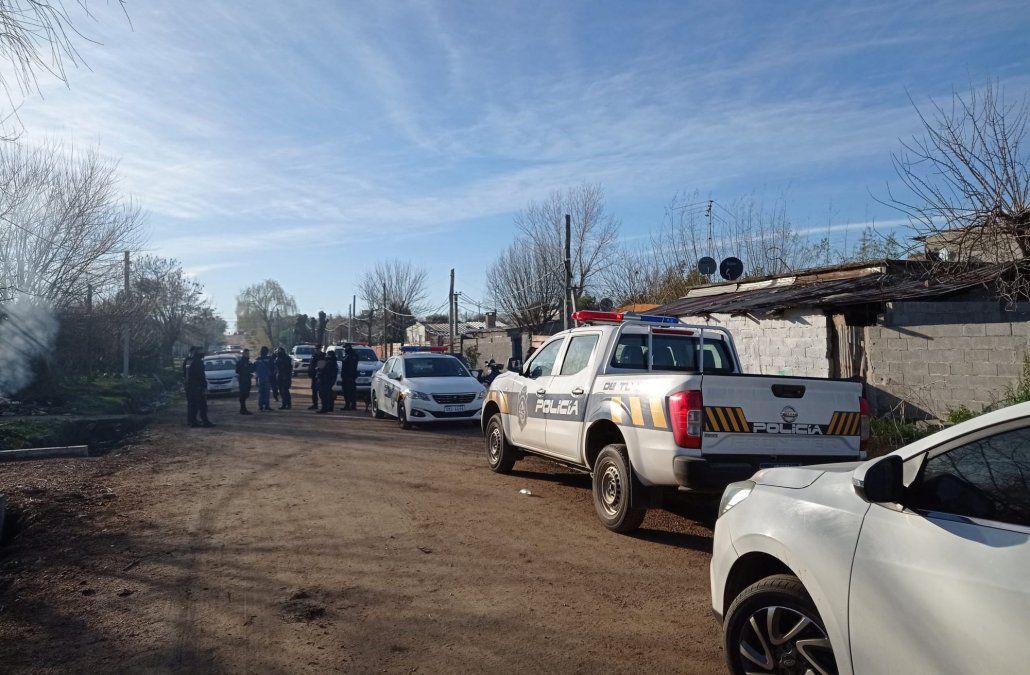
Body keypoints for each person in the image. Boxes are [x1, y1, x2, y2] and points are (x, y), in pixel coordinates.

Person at [185, 347, 214, 428]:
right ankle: (205, 422)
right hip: (197, 386)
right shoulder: (198, 362)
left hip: (189, 386)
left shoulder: (188, 361)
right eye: (201, 352)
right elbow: (201, 375)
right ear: (197, 352)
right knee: (202, 405)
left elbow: (185, 374)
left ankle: (191, 421)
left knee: (192, 405)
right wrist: (204, 385)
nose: (203, 353)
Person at [254, 346, 276, 411]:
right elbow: (273, 368)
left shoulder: (257, 359)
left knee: (261, 393)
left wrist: (256, 379)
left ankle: (260, 406)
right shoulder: (269, 359)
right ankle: (267, 406)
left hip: (260, 378)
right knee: (267, 393)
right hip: (267, 378)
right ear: (267, 351)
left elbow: (255, 370)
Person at [317, 349, 339, 413]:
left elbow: (323, 372)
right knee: (329, 394)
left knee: (324, 395)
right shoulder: (333, 362)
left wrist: (319, 372)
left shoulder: (328, 362)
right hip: (330, 380)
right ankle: (330, 407)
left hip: (326, 381)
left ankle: (324, 408)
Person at [340, 344, 359, 411]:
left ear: (348, 347)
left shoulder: (352, 355)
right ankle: (348, 405)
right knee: (347, 392)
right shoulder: (348, 355)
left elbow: (352, 367)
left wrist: (350, 376)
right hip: (346, 376)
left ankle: (351, 405)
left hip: (349, 376)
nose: (344, 349)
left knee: (349, 392)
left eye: (345, 348)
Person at [236, 348, 254, 415]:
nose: (247, 355)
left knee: (246, 394)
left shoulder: (248, 361)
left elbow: (252, 369)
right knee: (243, 395)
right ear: (243, 354)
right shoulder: (241, 362)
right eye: (246, 353)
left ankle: (243, 409)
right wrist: (244, 372)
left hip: (247, 380)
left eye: (248, 353)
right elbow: (237, 370)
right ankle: (243, 409)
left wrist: (249, 373)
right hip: (243, 380)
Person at [307, 344, 324, 410]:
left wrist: (317, 369)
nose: (316, 350)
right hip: (314, 376)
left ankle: (324, 405)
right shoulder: (314, 355)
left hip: (320, 376)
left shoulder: (322, 356)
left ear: (320, 349)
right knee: (314, 391)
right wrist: (310, 372)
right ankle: (315, 404)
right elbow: (311, 365)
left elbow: (321, 366)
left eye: (318, 349)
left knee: (321, 392)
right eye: (316, 349)